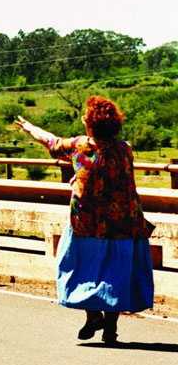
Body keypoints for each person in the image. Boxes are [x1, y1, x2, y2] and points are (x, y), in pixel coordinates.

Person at [16, 96, 154, 343]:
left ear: (90, 124)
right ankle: (109, 329)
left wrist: (29, 128)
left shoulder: (80, 147)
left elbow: (51, 141)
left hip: (87, 224)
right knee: (116, 274)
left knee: (76, 267)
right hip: (123, 223)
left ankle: (93, 316)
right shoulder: (126, 149)